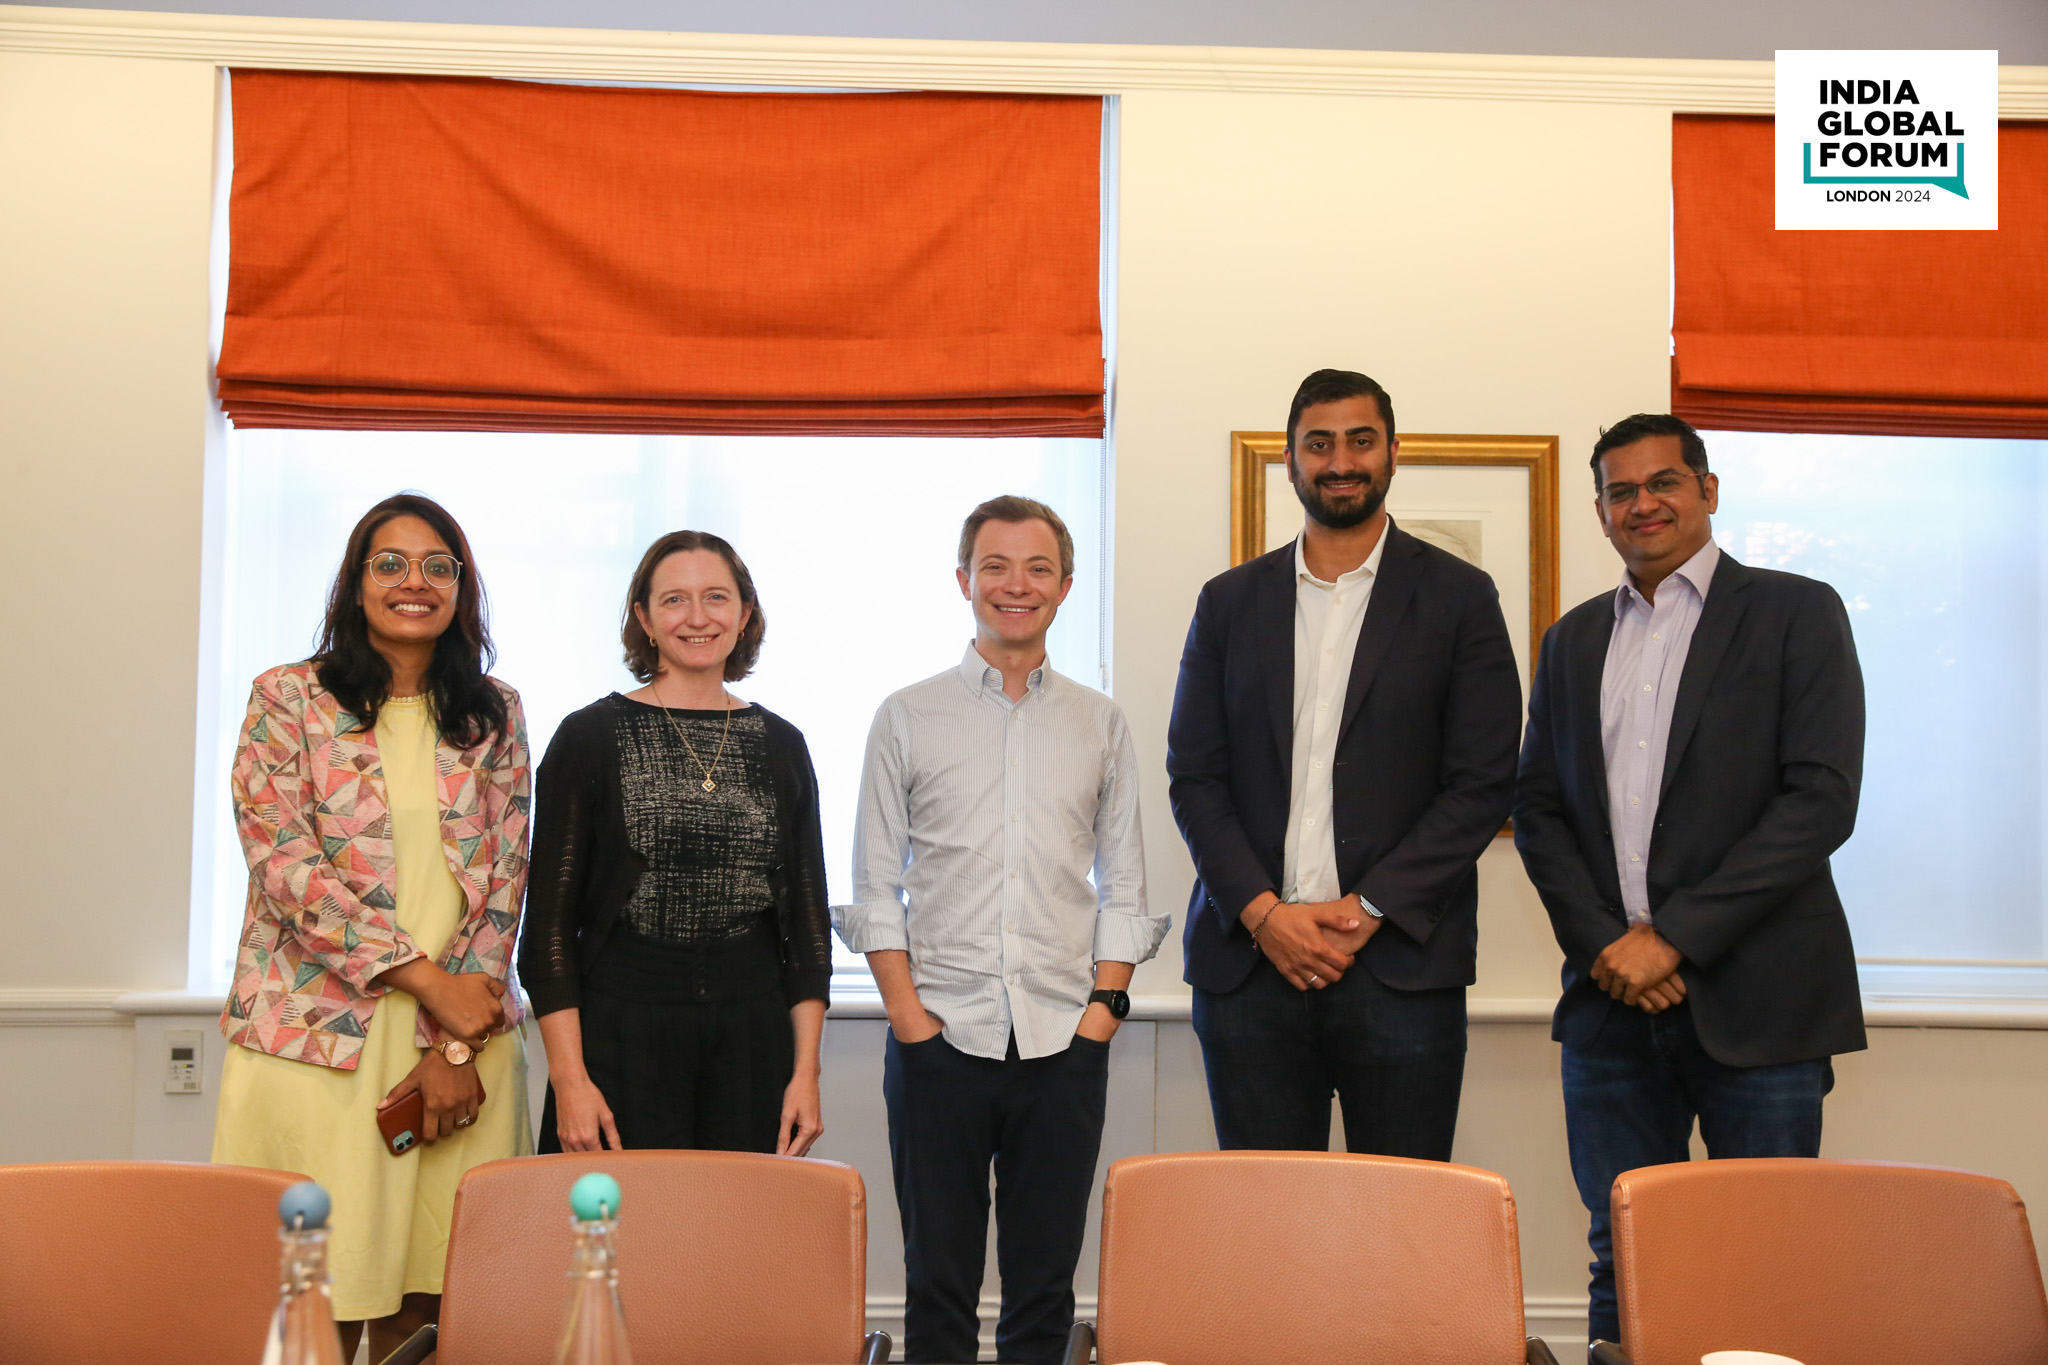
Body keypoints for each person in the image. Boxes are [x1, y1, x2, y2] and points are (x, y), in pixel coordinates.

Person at [1512, 413, 1867, 1347]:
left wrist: (1672, 937)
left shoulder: (1796, 612)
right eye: (1621, 491)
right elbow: (1539, 811)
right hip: (1610, 1007)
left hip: (1764, 1004)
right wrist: (1609, 946)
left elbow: (1820, 800)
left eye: (1663, 482)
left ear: (1707, 490)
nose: (1644, 504)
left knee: (1763, 1254)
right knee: (1622, 1253)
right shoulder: (1572, 640)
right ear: (1600, 511)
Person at [837, 496, 1166, 1365]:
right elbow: (875, 884)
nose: (1016, 585)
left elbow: (1125, 883)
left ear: (1064, 585)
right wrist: (909, 1020)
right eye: (995, 566)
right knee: (937, 1283)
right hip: (938, 1037)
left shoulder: (1100, 722)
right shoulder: (906, 715)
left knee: (1044, 1288)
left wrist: (1101, 1018)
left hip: (1065, 1041)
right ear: (963, 580)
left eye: (1037, 568)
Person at [1167, 368, 1521, 1157]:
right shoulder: (1228, 602)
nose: (1340, 461)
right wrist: (1264, 914)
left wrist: (1367, 910)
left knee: (1399, 1216)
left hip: (1401, 975)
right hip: (1249, 971)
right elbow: (1195, 775)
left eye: (1361, 441)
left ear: (1394, 452)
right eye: (1319, 443)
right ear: (1289, 460)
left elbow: (1483, 782)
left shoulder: (1462, 598)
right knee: (1264, 1214)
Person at [213, 493, 531, 1361]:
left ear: (461, 588)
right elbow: (286, 865)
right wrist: (428, 983)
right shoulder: (287, 698)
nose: (412, 582)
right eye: (389, 563)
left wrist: (456, 1044)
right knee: (306, 1300)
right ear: (356, 583)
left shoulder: (494, 712)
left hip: (457, 1051)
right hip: (314, 1041)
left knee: (431, 1298)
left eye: (437, 566)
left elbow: (506, 877)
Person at [521, 530, 832, 1156]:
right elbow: (548, 929)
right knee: (621, 1220)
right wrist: (569, 1079)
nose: (697, 617)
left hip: (752, 1043)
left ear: (744, 613)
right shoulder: (588, 737)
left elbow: (806, 924)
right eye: (674, 600)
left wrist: (806, 1073)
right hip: (619, 1036)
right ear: (644, 618)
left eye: (716, 597)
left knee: (735, 1218)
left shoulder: (782, 744)